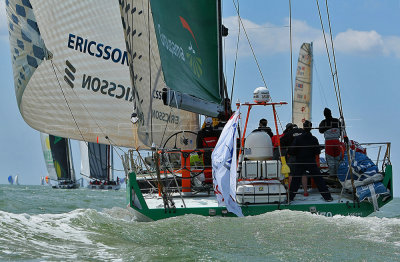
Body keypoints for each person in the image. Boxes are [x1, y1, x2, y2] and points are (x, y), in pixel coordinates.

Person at [288, 120, 333, 202]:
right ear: (311, 128)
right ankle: (327, 197)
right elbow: (317, 151)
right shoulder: (314, 139)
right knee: (319, 179)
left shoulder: (298, 139)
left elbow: (291, 151)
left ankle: (290, 198)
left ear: (303, 127)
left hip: (300, 161)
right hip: (311, 161)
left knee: (296, 180)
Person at [281, 123, 309, 196]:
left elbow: (281, 142)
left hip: (292, 156)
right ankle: (305, 192)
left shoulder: (288, 133)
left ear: (289, 128)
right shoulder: (303, 132)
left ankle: (291, 192)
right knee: (303, 173)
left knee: (291, 174)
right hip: (303, 156)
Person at [318, 108, 342, 177]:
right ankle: (338, 176)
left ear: (324, 114)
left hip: (329, 142)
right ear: (331, 113)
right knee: (337, 159)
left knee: (330, 160)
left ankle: (332, 176)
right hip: (337, 142)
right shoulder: (337, 121)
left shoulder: (323, 122)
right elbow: (341, 129)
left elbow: (321, 131)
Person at [196, 117, 219, 183]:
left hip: (205, 153)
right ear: (212, 123)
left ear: (205, 123)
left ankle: (208, 181)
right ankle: (215, 181)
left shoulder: (201, 132)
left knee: (207, 167)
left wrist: (199, 153)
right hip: (215, 153)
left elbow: (199, 144)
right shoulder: (216, 132)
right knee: (215, 167)